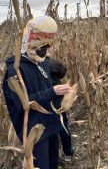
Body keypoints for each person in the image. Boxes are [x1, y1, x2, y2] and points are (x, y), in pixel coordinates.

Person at [2, 15, 70, 169]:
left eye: (47, 46)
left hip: (51, 124)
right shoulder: (15, 71)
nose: (45, 51)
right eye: (42, 47)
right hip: (35, 132)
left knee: (53, 164)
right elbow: (22, 103)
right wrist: (52, 92)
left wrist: (59, 94)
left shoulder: (44, 63)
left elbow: (58, 75)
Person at [46, 58, 74, 161]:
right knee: (63, 126)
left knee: (50, 131)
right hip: (56, 102)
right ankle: (68, 153)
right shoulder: (50, 62)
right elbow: (62, 72)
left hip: (42, 104)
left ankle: (53, 158)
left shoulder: (30, 66)